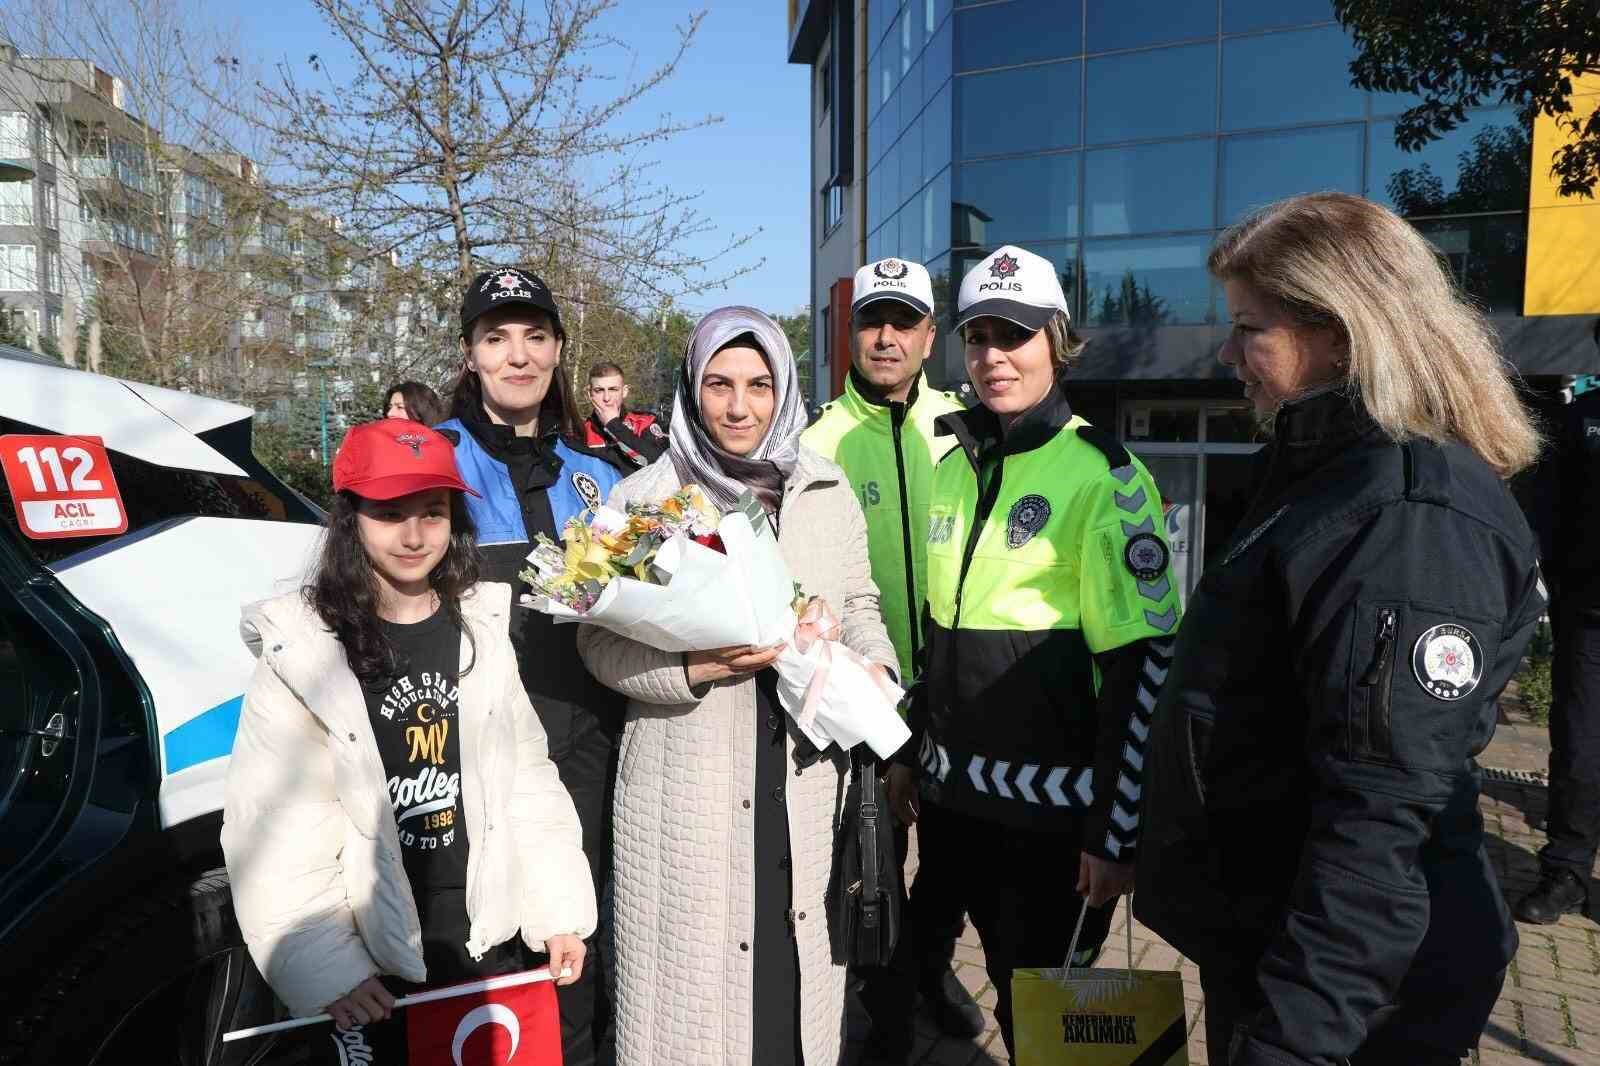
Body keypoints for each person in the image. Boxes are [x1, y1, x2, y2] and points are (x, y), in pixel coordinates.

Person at [1134, 192, 1546, 1066]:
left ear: (1341, 330)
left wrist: (1289, 1046)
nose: (1227, 353)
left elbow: (1379, 823)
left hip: (1348, 999)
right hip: (1278, 938)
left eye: (1251, 328)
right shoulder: (1326, 476)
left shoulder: (1409, 516)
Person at [576, 306, 898, 1066]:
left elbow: (859, 604)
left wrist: (875, 666)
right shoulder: (643, 500)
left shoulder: (824, 488)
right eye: (718, 383)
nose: (738, 405)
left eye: (758, 384)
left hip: (804, 775)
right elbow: (598, 642)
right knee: (695, 1013)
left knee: (791, 999)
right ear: (692, 388)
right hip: (687, 778)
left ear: (783, 387)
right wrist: (691, 670)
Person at [897, 245, 1182, 1060]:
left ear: (1057, 341)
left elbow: (1144, 664)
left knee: (1052, 1032)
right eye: (978, 336)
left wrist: (1116, 832)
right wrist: (913, 751)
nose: (993, 357)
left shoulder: (1107, 476)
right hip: (951, 809)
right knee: (936, 962)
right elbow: (938, 630)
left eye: (1014, 336)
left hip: (1050, 824)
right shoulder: (952, 466)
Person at [221, 418, 595, 1032]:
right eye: (391, 513)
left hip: (485, 935)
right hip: (375, 958)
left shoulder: (481, 625)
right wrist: (328, 967)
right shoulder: (304, 650)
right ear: (351, 520)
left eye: (434, 512)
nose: (415, 535)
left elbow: (525, 776)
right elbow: (277, 822)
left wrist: (558, 909)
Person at [434, 267, 625, 1066]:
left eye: (536, 335)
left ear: (558, 352)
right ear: (471, 355)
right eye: (496, 337)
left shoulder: (605, 475)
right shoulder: (433, 464)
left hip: (587, 741)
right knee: (489, 947)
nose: (518, 354)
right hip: (474, 747)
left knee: (577, 939)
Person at [800, 256, 979, 1059]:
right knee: (875, 865)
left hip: (957, 692)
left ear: (929, 336)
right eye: (872, 319)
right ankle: (884, 1012)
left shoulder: (967, 427)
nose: (885, 336)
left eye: (903, 321)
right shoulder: (816, 440)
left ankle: (931, 971)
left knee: (952, 863)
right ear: (850, 332)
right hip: (863, 696)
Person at [1518, 322, 1600, 924]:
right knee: (1580, 745)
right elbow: (1545, 510)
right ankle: (1566, 872)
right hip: (1590, 617)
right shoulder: (1583, 421)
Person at [583, 360, 669, 472]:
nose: (607, 398)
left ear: (624, 391)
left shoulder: (645, 422)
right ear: (589, 394)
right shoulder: (580, 432)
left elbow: (660, 462)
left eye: (613, 389)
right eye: (599, 390)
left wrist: (613, 425)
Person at [383, 380, 447, 426]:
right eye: (390, 407)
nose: (389, 413)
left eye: (400, 407)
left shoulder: (439, 443)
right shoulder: (378, 438)